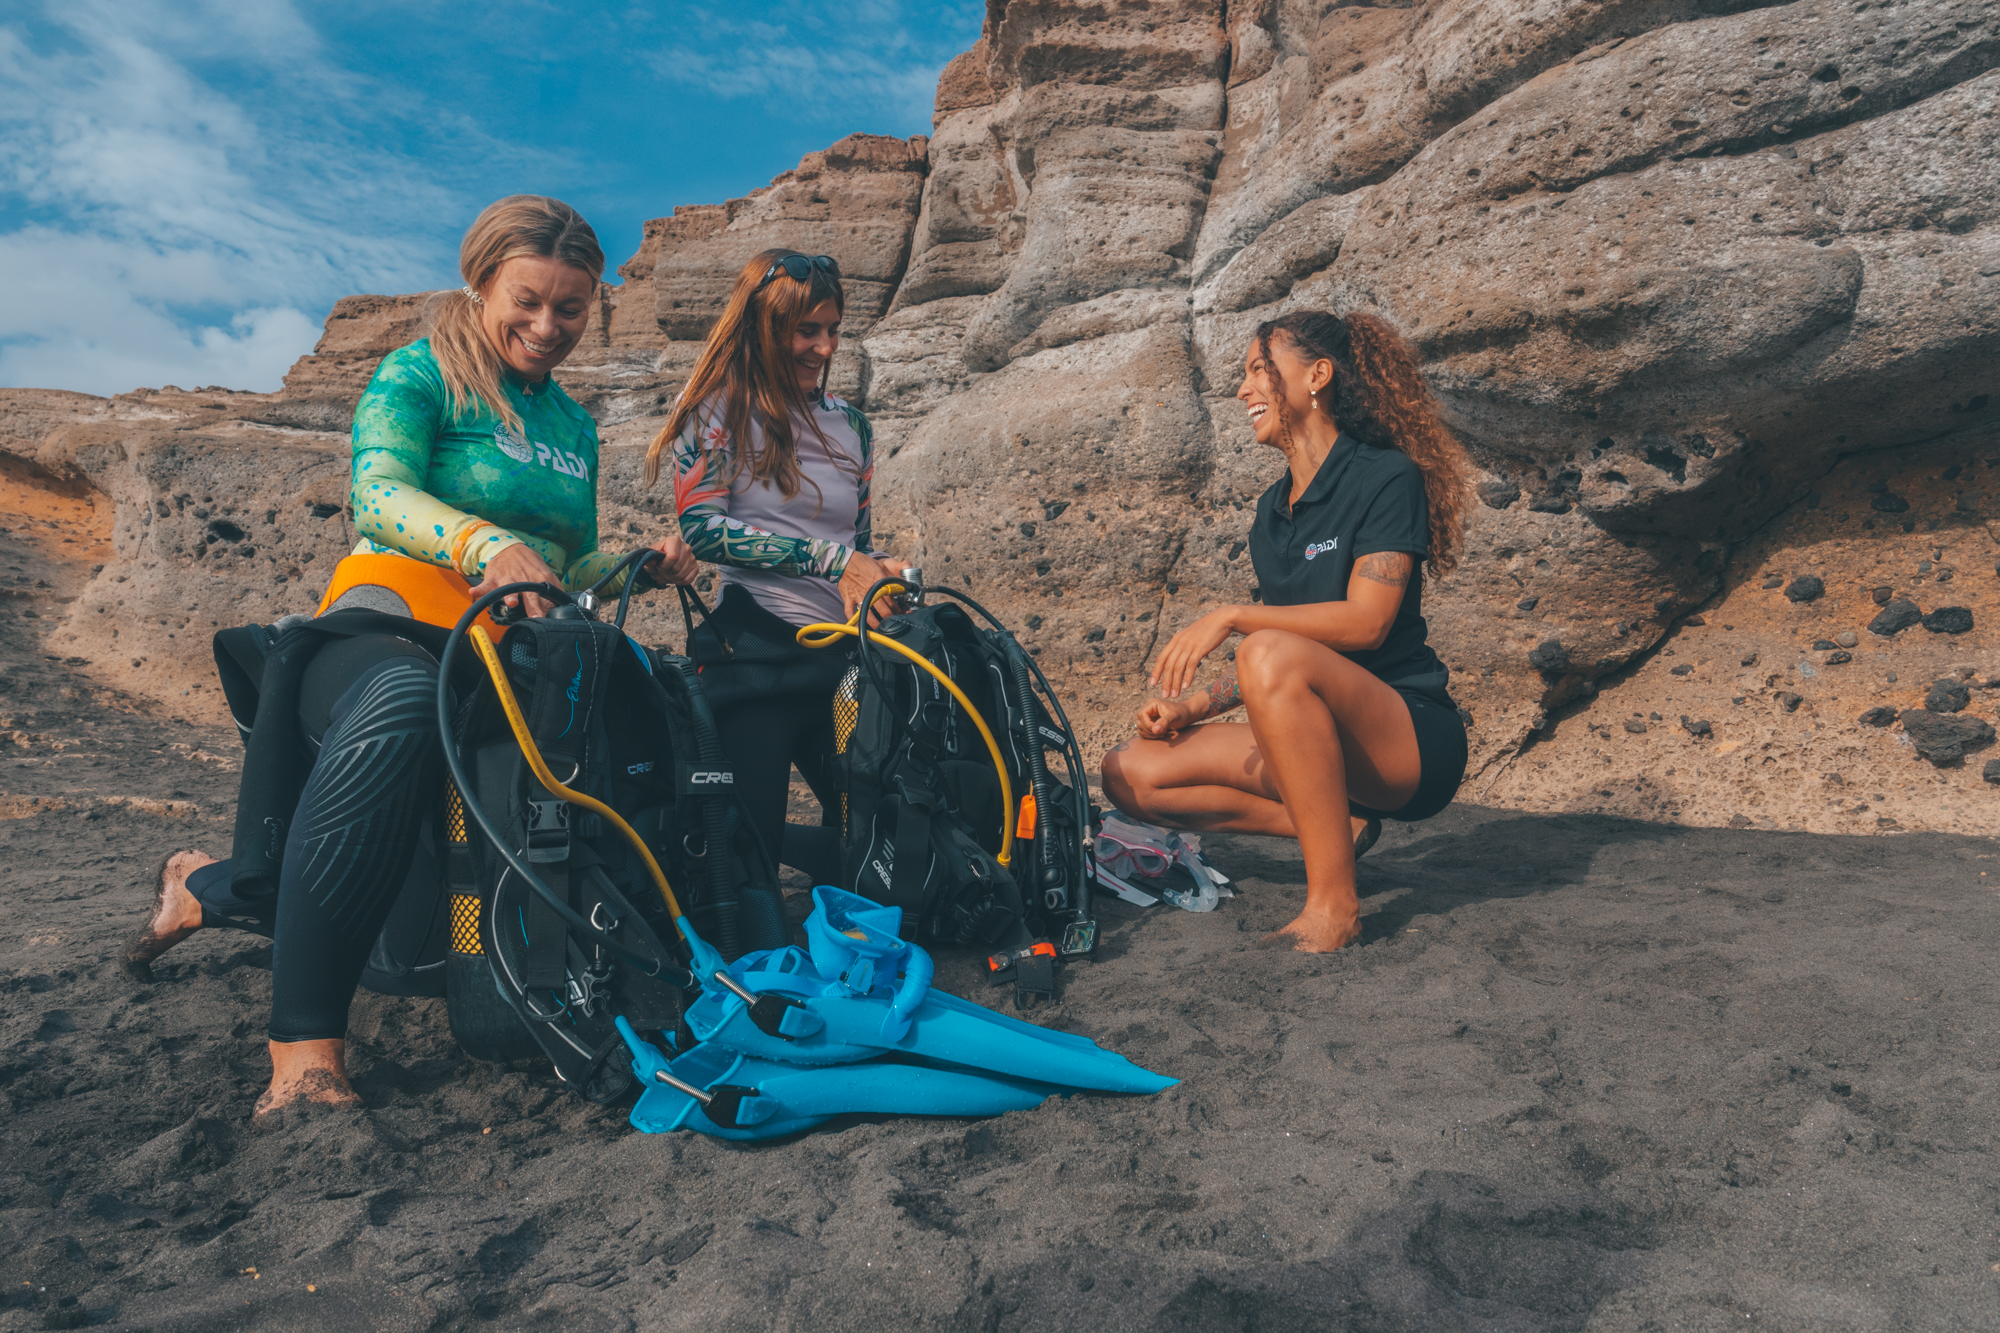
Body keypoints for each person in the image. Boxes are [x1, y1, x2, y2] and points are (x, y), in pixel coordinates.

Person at [121, 195, 698, 1120]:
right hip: (384, 624)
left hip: (506, 652)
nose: (548, 327)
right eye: (528, 300)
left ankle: (201, 883)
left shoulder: (574, 428)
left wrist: (636, 564)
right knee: (398, 707)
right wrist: (480, 545)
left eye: (572, 308)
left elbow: (563, 563)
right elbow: (378, 495)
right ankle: (303, 1055)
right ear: (479, 285)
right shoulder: (418, 373)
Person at [1100, 310, 1473, 952]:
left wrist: (1232, 615)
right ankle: (1342, 827)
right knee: (1129, 772)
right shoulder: (1271, 516)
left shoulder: (1385, 476)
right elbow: (1279, 662)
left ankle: (1335, 903)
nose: (1243, 390)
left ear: (1317, 376)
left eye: (1258, 371)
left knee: (1267, 648)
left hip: (1407, 739)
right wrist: (1191, 706)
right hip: (1315, 737)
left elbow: (1365, 621)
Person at [643, 249, 903, 891]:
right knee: (739, 872)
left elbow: (856, 540)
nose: (823, 347)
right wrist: (834, 560)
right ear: (763, 328)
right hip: (754, 657)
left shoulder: (854, 429)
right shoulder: (715, 412)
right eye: (805, 330)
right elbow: (703, 529)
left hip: (845, 660)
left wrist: (879, 576)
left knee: (887, 844)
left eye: (833, 330)